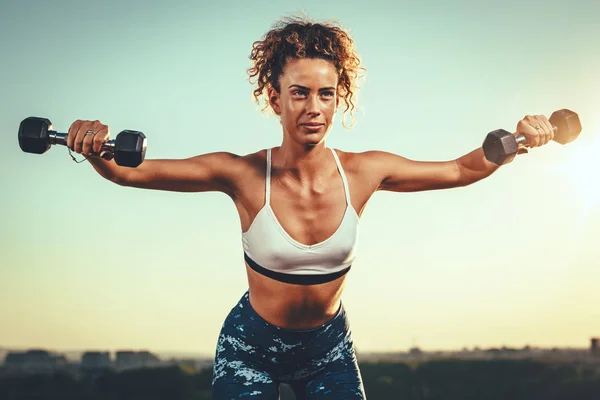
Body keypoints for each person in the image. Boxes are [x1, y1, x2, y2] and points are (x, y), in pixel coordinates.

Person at [65, 16, 554, 399]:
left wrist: (519, 140)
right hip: (249, 347)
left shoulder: (365, 172)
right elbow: (134, 171)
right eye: (298, 93)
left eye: (325, 93)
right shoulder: (242, 174)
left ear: (338, 99)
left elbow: (461, 169)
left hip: (327, 349)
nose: (312, 108)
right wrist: (95, 150)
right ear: (275, 98)